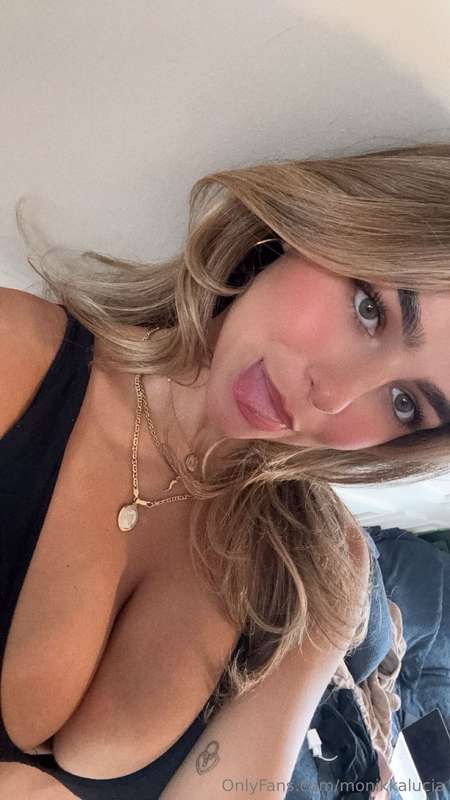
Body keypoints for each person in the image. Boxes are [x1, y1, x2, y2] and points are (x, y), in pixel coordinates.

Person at [0, 141, 449, 799]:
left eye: (405, 403)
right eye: (369, 309)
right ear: (309, 227)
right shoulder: (14, 356)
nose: (333, 396)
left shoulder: (317, 571)